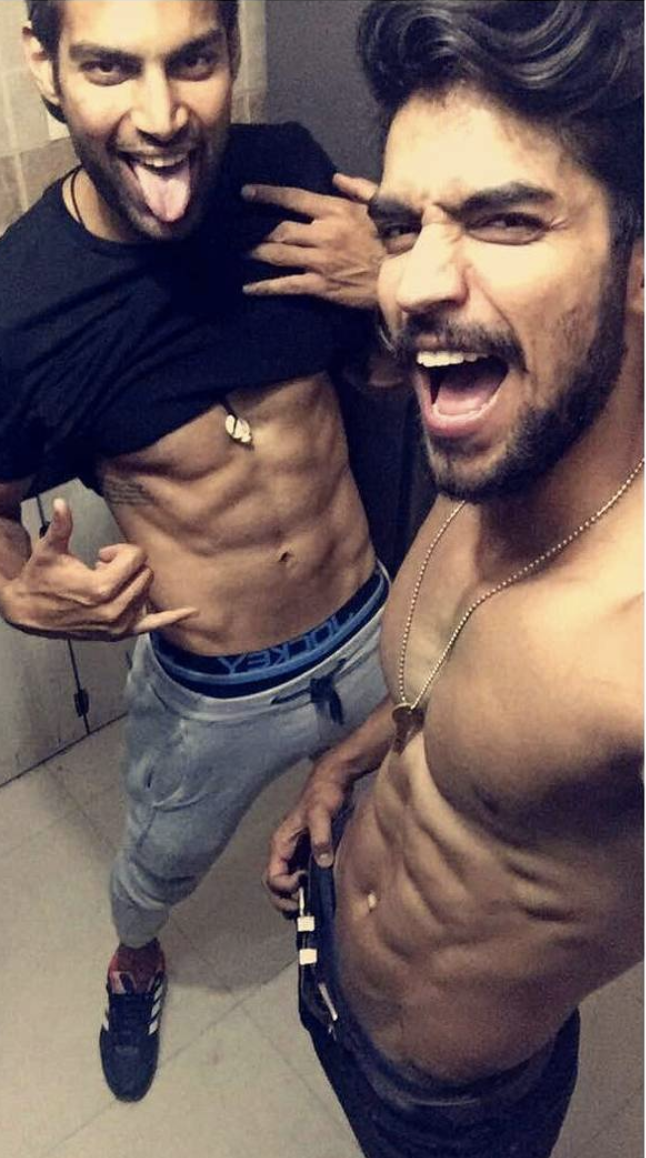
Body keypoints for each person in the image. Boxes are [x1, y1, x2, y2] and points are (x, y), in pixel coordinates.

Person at [0, 0, 390, 1103]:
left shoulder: (288, 177)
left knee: (381, 818)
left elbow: (385, 380)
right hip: (215, 691)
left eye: (193, 59)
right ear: (46, 65)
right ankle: (134, 961)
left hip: (376, 626)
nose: (162, 116)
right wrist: (15, 590)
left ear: (231, 50)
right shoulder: (11, 309)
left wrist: (392, 283)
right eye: (111, 67)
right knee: (157, 867)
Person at [264, 2, 644, 1156]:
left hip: (452, 1108)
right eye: (399, 228)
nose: (410, 286)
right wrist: (349, 762)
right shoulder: (493, 449)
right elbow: (450, 695)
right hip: (329, 960)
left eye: (506, 219)